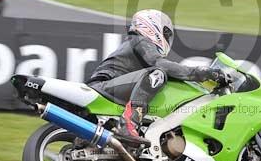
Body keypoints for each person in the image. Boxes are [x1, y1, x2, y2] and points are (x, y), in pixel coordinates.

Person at [87, 9, 225, 146]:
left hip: (109, 88)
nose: (167, 38)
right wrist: (200, 73)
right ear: (151, 26)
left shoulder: (137, 44)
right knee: (158, 73)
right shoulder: (139, 39)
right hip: (102, 86)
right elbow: (160, 64)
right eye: (166, 33)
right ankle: (129, 122)